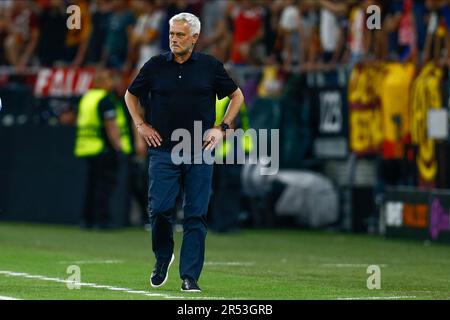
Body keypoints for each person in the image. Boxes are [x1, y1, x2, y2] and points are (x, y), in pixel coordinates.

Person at [124, 12, 244, 292]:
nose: (174, 39)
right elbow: (130, 94)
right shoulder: (155, 65)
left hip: (199, 151)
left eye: (179, 35)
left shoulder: (210, 66)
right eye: (171, 34)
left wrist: (221, 127)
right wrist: (141, 125)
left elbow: (237, 96)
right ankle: (163, 256)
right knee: (160, 210)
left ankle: (189, 276)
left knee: (195, 214)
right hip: (163, 151)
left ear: (194, 38)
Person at [75, 69, 132, 229]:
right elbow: (111, 126)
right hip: (103, 148)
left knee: (91, 185)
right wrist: (119, 147)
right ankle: (102, 220)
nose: (112, 83)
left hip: (87, 147)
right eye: (109, 79)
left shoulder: (87, 98)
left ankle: (87, 219)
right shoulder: (105, 100)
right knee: (104, 186)